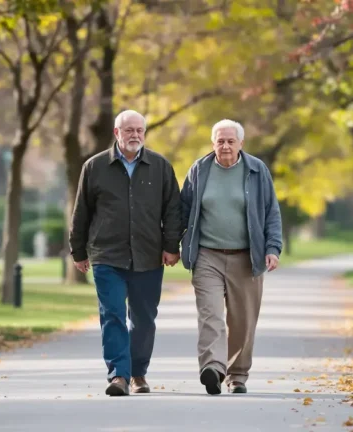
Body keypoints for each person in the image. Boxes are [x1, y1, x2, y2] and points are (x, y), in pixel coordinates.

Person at [69, 109, 182, 396]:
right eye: (128, 130)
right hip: (107, 255)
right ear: (116, 133)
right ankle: (118, 374)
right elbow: (81, 211)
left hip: (148, 255)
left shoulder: (160, 166)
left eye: (139, 130)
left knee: (144, 319)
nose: (134, 135)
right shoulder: (94, 167)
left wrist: (171, 246)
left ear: (144, 133)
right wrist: (78, 250)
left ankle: (138, 373)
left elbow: (172, 210)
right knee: (113, 314)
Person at [179, 119, 283, 395]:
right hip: (207, 256)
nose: (224, 146)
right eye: (219, 141)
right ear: (212, 143)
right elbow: (182, 211)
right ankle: (212, 368)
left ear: (240, 143)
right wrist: (171, 245)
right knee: (210, 314)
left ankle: (237, 374)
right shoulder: (199, 170)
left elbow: (271, 212)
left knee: (242, 320)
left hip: (247, 257)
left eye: (230, 141)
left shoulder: (257, 170)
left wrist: (273, 248)